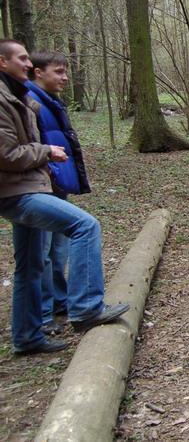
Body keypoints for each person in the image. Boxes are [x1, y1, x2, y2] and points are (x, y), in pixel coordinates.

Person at [0, 39, 129, 355]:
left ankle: (27, 336)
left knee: (30, 265)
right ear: (3, 63)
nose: (28, 65)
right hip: (17, 191)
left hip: (29, 186)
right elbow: (5, 154)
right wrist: (45, 152)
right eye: (22, 59)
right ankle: (85, 308)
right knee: (85, 227)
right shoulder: (5, 101)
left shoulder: (18, 97)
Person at [24, 52, 91, 336]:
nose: (64, 77)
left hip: (57, 184)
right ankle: (42, 313)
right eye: (58, 72)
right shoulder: (30, 101)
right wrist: (49, 173)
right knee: (41, 252)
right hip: (40, 186)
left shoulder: (51, 101)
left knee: (58, 248)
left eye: (65, 72)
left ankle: (59, 300)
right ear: (38, 72)